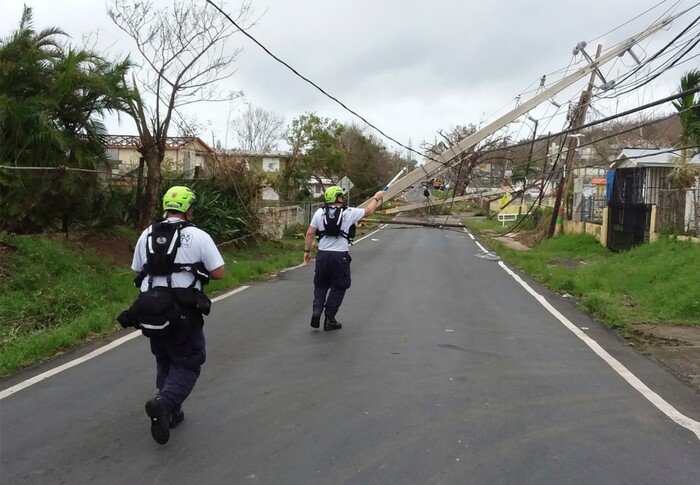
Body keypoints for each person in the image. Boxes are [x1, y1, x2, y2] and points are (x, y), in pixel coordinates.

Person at [128, 186, 225, 445]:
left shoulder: (147, 233)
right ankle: (165, 402)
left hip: (151, 310)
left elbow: (137, 268)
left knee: (164, 357)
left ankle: (171, 411)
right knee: (189, 361)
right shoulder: (198, 236)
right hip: (182, 310)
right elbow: (219, 272)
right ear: (188, 209)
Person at [303, 186, 384, 330]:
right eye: (341, 196)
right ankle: (330, 318)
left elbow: (310, 234)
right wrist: (376, 197)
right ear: (338, 198)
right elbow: (369, 211)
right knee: (339, 286)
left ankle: (316, 312)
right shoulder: (349, 212)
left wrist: (307, 252)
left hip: (322, 256)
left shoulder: (319, 213)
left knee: (320, 285)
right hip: (340, 257)